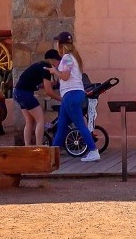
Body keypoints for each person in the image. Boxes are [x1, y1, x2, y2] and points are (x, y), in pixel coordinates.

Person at [48, 31, 100, 162]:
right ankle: (53, 154)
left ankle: (93, 151)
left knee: (80, 124)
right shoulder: (74, 57)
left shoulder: (67, 58)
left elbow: (65, 76)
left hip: (70, 94)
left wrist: (54, 71)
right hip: (73, 94)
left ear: (60, 44)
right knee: (62, 124)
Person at [13, 49, 63, 145]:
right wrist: (61, 99)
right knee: (40, 120)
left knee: (29, 121)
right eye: (57, 60)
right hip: (26, 94)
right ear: (51, 60)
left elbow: (40, 84)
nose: (58, 63)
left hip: (17, 93)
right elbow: (48, 92)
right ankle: (39, 147)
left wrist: (50, 84)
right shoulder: (46, 68)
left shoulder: (39, 65)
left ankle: (28, 147)